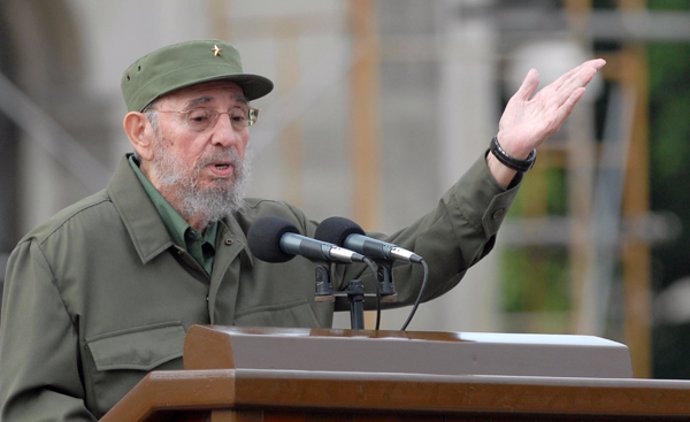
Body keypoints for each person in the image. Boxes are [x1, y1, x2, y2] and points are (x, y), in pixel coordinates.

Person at [0, 39, 605, 419]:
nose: (227, 136)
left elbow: (417, 262)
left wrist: (505, 158)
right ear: (140, 133)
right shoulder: (60, 256)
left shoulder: (280, 235)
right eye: (201, 117)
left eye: (239, 117)